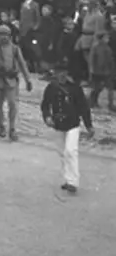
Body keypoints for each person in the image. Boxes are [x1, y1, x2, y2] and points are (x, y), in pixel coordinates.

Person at [42, 65, 93, 196]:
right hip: (58, 124)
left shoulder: (75, 88)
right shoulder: (51, 88)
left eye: (64, 72)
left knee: (71, 151)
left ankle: (73, 182)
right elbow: (45, 105)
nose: (62, 75)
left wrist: (89, 125)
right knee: (62, 153)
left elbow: (83, 107)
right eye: (59, 72)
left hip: (73, 124)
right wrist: (47, 117)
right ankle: (68, 179)